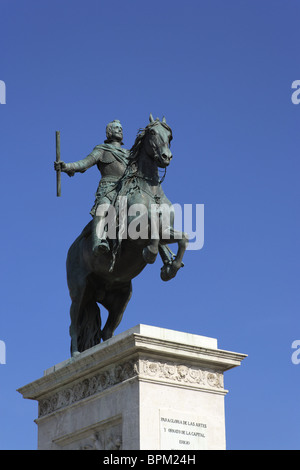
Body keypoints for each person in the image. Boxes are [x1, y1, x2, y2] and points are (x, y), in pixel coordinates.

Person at [54, 120, 129, 255]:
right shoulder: (101, 150)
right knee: (103, 208)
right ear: (109, 132)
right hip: (108, 189)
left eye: (121, 128)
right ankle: (98, 242)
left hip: (127, 190)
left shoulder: (129, 154)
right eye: (116, 128)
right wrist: (66, 167)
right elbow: (84, 163)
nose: (119, 130)